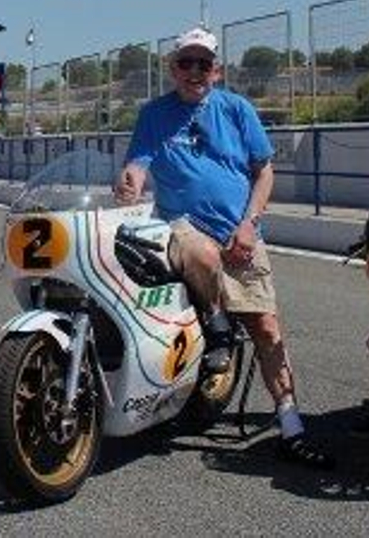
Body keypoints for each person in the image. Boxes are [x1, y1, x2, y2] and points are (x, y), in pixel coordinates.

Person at [115, 27, 335, 469]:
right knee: (200, 252)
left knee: (268, 330)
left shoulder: (237, 109)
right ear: (172, 69)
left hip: (240, 233)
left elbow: (263, 172)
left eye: (204, 63)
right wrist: (129, 183)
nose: (194, 71)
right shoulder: (154, 114)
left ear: (216, 70)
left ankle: (291, 426)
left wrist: (249, 225)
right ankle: (216, 327)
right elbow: (137, 164)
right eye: (186, 62)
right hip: (182, 229)